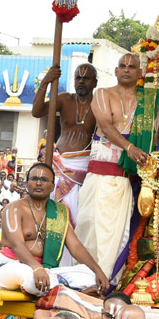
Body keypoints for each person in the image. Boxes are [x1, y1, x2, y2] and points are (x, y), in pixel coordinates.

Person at [77, 52, 145, 284]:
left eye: (132, 66)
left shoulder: (146, 101)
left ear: (140, 73)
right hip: (100, 177)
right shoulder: (102, 94)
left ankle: (108, 284)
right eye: (122, 65)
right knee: (93, 229)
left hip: (126, 179)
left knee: (118, 234)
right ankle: (85, 281)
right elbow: (105, 126)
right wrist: (129, 148)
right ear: (115, 71)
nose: (126, 69)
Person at [0, 162, 109, 296]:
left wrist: (97, 270)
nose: (38, 183)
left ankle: (62, 290)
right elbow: (17, 244)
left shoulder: (58, 212)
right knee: (31, 280)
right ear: (26, 184)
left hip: (46, 271)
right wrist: (36, 268)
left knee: (89, 276)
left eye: (44, 180)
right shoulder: (14, 209)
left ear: (52, 186)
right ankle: (73, 293)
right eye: (34, 179)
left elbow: (76, 247)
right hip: (12, 266)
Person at [31, 63, 98, 230]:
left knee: (78, 219)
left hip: (84, 168)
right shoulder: (64, 99)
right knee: (56, 218)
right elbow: (37, 111)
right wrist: (45, 82)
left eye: (86, 78)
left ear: (95, 82)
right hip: (61, 165)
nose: (81, 81)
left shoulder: (100, 104)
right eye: (78, 77)